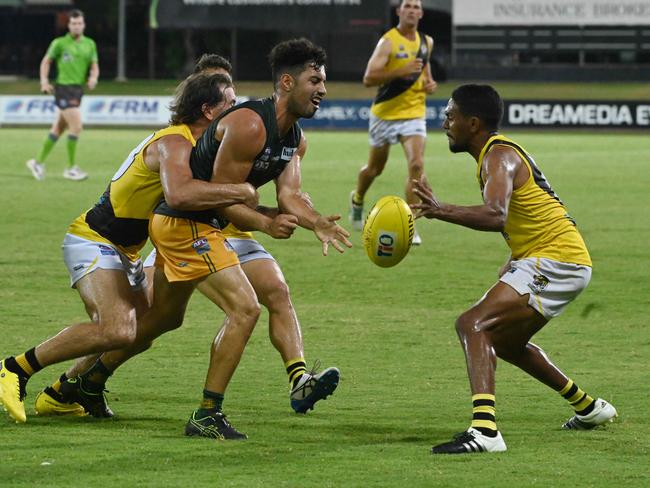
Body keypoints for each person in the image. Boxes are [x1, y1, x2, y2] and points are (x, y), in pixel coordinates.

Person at [60, 38, 351, 440]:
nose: (323, 89)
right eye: (315, 80)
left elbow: (290, 196)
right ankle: (205, 413)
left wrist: (315, 221)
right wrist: (266, 223)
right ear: (287, 82)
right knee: (242, 310)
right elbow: (224, 197)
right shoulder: (249, 125)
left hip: (216, 223)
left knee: (171, 316)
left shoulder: (294, 138)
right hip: (187, 223)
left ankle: (83, 382)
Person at [0, 72, 257, 423]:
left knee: (147, 325)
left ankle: (63, 393)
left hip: (127, 250)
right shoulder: (175, 142)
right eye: (230, 101)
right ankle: (14, 369)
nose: (236, 107)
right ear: (208, 110)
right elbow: (180, 195)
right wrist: (241, 192)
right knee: (118, 329)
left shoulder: (196, 146)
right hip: (95, 239)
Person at [411, 84, 617, 454]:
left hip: (557, 258)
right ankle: (588, 407)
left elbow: (495, 215)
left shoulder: (498, 156)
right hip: (556, 256)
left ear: (473, 123)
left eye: (450, 115)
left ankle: (485, 431)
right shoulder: (498, 155)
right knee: (505, 342)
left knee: (471, 324)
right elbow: (531, 212)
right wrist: (514, 260)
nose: (444, 122)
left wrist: (440, 209)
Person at [349, 0, 437, 245]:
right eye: (407, 5)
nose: (411, 10)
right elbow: (369, 78)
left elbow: (425, 74)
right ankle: (357, 199)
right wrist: (400, 71)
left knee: (417, 165)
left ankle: (410, 225)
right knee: (375, 169)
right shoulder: (387, 41)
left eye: (416, 6)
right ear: (399, 11)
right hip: (385, 115)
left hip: (414, 114)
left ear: (421, 13)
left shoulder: (426, 42)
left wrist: (430, 84)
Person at [26, 9, 99, 182]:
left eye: (79, 23)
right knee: (77, 126)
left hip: (77, 89)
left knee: (58, 129)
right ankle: (71, 168)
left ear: (84, 25)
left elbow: (94, 64)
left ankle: (37, 163)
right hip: (63, 89)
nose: (77, 26)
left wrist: (93, 77)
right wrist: (44, 81)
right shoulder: (59, 43)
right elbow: (46, 61)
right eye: (73, 23)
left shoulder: (90, 44)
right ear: (69, 25)